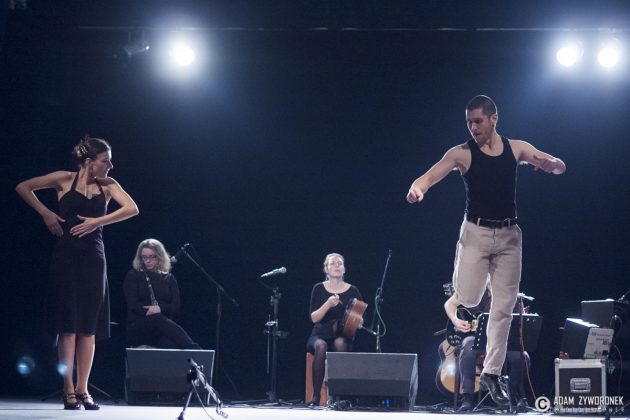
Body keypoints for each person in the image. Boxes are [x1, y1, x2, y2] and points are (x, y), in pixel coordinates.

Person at [407, 95, 565, 406]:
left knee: (503, 308)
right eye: (469, 122)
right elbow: (429, 176)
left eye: (478, 121)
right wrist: (417, 189)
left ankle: (492, 373)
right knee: (469, 298)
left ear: (494, 119)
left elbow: (559, 166)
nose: (473, 127)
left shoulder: (516, 148)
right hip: (475, 234)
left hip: (509, 237)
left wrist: (553, 165)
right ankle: (468, 292)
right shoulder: (461, 153)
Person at [16, 136, 139, 410]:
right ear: (89, 162)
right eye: (105, 161)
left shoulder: (108, 185)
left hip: (94, 258)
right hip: (66, 256)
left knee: (88, 327)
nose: (110, 165)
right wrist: (46, 213)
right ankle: (68, 389)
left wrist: (98, 221)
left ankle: (84, 389)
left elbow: (132, 208)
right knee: (68, 326)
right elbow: (23, 187)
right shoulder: (64, 179)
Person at [444, 288, 530, 411]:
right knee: (467, 347)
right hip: (480, 338)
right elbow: (449, 303)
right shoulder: (477, 289)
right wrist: (455, 320)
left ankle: (511, 394)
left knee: (522, 356)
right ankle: (468, 398)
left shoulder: (510, 291)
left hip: (504, 341)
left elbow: (518, 321)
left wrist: (522, 315)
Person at [306, 253, 363, 406]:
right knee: (321, 346)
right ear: (326, 269)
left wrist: (357, 320)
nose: (337, 266)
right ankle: (316, 396)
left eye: (340, 263)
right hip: (320, 333)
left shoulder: (353, 290)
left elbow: (361, 317)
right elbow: (314, 318)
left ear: (344, 269)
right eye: (333, 263)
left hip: (341, 334)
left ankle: (339, 396)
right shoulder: (318, 288)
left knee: (340, 343)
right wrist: (328, 304)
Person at [123, 238, 201, 349]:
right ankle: (195, 349)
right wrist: (150, 311)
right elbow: (133, 305)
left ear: (160, 256)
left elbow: (175, 306)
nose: (148, 261)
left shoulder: (169, 278)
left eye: (152, 257)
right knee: (156, 318)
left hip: (162, 327)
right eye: (144, 257)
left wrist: (159, 308)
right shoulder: (133, 275)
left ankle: (194, 357)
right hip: (139, 326)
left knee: (171, 343)